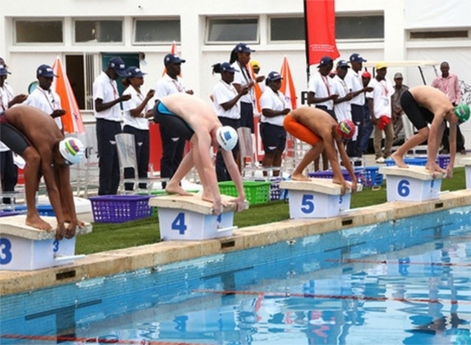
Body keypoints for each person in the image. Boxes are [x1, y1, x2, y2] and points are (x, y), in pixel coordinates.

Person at [0, 106, 85, 240]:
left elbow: (66, 186)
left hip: (27, 125)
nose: (63, 166)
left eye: (67, 164)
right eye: (63, 161)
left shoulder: (63, 147)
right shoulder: (46, 146)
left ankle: (65, 212)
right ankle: (32, 215)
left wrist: (73, 219)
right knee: (33, 158)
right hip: (4, 122)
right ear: (58, 152)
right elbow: (51, 187)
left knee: (52, 168)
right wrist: (60, 222)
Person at [153, 93, 246, 215]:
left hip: (182, 108)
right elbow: (208, 167)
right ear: (215, 137)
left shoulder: (220, 131)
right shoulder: (204, 130)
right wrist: (215, 197)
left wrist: (241, 194)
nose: (216, 148)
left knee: (197, 143)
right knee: (197, 142)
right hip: (162, 109)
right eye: (217, 146)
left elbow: (231, 165)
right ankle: (206, 190)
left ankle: (173, 183)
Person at [391, 85, 470, 177]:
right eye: (459, 121)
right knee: (425, 133)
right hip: (409, 98)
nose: (458, 124)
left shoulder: (452, 116)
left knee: (442, 126)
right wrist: (432, 162)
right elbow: (431, 139)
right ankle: (398, 154)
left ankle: (430, 162)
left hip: (420, 102)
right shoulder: (441, 111)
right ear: (454, 113)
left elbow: (453, 141)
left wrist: (451, 164)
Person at [283, 107, 358, 195]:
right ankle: (297, 173)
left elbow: (344, 156)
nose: (340, 139)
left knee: (322, 145)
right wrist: (342, 181)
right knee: (319, 145)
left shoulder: (337, 128)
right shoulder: (326, 130)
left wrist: (353, 179)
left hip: (301, 119)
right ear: (339, 131)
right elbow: (332, 157)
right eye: (341, 137)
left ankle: (337, 177)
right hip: (291, 121)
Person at [154, 53, 193, 186]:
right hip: (169, 122)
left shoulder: (180, 81)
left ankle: (177, 182)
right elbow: (158, 104)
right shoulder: (162, 83)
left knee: (178, 155)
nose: (179, 67)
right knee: (169, 155)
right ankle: (167, 183)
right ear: (168, 66)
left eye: (179, 64)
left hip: (180, 122)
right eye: (176, 64)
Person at [93, 56, 131, 195]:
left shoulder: (112, 82)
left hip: (116, 122)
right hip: (105, 123)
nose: (117, 76)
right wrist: (119, 100)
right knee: (107, 162)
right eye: (115, 73)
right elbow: (98, 107)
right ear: (109, 68)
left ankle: (113, 194)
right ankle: (104, 194)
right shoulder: (100, 82)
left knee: (116, 163)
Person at [211, 62, 248, 181]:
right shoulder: (219, 87)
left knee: (234, 151)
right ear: (223, 73)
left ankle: (229, 178)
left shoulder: (230, 86)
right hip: (225, 121)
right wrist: (240, 95)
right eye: (230, 73)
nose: (232, 76)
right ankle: (221, 180)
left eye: (233, 73)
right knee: (224, 152)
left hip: (234, 120)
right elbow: (226, 106)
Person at [121, 66, 155, 191]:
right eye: (139, 77)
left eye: (142, 77)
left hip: (143, 128)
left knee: (143, 163)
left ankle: (143, 189)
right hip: (132, 128)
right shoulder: (128, 93)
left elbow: (148, 112)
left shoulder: (140, 93)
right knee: (130, 164)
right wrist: (147, 99)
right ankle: (129, 190)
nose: (142, 79)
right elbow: (134, 113)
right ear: (131, 79)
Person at [0, 61, 27, 203]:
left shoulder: (7, 88)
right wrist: (14, 102)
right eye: (1, 77)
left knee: (10, 175)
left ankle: (9, 204)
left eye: (4, 76)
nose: (3, 79)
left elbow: (9, 112)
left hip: (7, 140)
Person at [307, 56, 339, 171]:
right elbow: (310, 99)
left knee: (329, 142)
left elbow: (333, 99)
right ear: (322, 66)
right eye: (327, 68)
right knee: (319, 141)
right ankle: (316, 169)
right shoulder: (315, 79)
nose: (328, 70)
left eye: (330, 68)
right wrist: (328, 98)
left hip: (330, 110)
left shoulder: (330, 79)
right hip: (320, 109)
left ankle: (326, 168)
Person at [259, 71, 291, 176]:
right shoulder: (267, 95)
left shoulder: (280, 94)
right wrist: (282, 112)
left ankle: (276, 178)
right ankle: (266, 178)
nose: (278, 83)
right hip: (270, 127)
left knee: (279, 153)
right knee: (269, 154)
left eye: (279, 81)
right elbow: (266, 112)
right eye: (275, 81)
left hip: (280, 127)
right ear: (269, 82)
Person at [431, 61, 466, 154]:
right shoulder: (437, 80)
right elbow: (431, 90)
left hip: (452, 105)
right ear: (440, 69)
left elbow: (457, 91)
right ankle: (446, 147)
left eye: (446, 68)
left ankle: (460, 147)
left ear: (449, 68)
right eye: (443, 68)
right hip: (442, 106)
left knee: (455, 126)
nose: (445, 70)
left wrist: (457, 102)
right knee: (442, 126)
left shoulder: (454, 77)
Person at [230, 43, 265, 134]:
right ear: (239, 54)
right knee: (242, 132)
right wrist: (254, 81)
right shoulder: (235, 68)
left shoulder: (244, 68)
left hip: (248, 103)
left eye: (249, 55)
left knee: (249, 133)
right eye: (247, 55)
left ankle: (247, 148)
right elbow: (237, 89)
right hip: (241, 104)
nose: (249, 58)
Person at [345, 53, 374, 157]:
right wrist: (364, 90)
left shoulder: (358, 76)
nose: (361, 65)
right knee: (354, 133)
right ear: (353, 63)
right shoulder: (350, 76)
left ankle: (357, 155)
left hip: (360, 107)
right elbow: (350, 94)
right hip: (354, 106)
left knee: (361, 132)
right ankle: (352, 156)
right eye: (359, 63)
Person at [367, 62, 395, 163]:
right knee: (378, 136)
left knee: (391, 135)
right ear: (377, 71)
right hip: (378, 113)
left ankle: (387, 153)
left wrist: (393, 111)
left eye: (385, 70)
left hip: (387, 112)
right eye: (381, 70)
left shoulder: (388, 81)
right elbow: (370, 100)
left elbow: (391, 96)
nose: (384, 72)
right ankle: (378, 155)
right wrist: (372, 115)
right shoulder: (372, 83)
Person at [23, 64, 66, 130]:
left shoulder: (55, 95)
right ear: (38, 77)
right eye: (46, 78)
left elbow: (60, 119)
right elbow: (32, 121)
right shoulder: (34, 97)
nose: (49, 81)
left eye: (51, 78)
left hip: (56, 132)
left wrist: (62, 132)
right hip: (43, 133)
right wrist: (52, 116)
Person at [391, 72, 409, 144]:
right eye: (397, 79)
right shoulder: (391, 90)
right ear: (394, 80)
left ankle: (394, 135)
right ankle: (392, 136)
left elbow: (408, 102)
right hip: (393, 109)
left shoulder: (406, 89)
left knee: (403, 117)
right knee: (389, 118)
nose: (399, 81)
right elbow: (390, 101)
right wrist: (393, 112)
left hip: (403, 109)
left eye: (400, 79)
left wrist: (401, 109)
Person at [359, 71, 373, 153]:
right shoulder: (360, 87)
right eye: (363, 78)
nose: (364, 80)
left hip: (367, 110)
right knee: (364, 130)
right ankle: (361, 148)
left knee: (367, 130)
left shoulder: (370, 88)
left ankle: (362, 148)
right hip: (361, 109)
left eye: (366, 78)